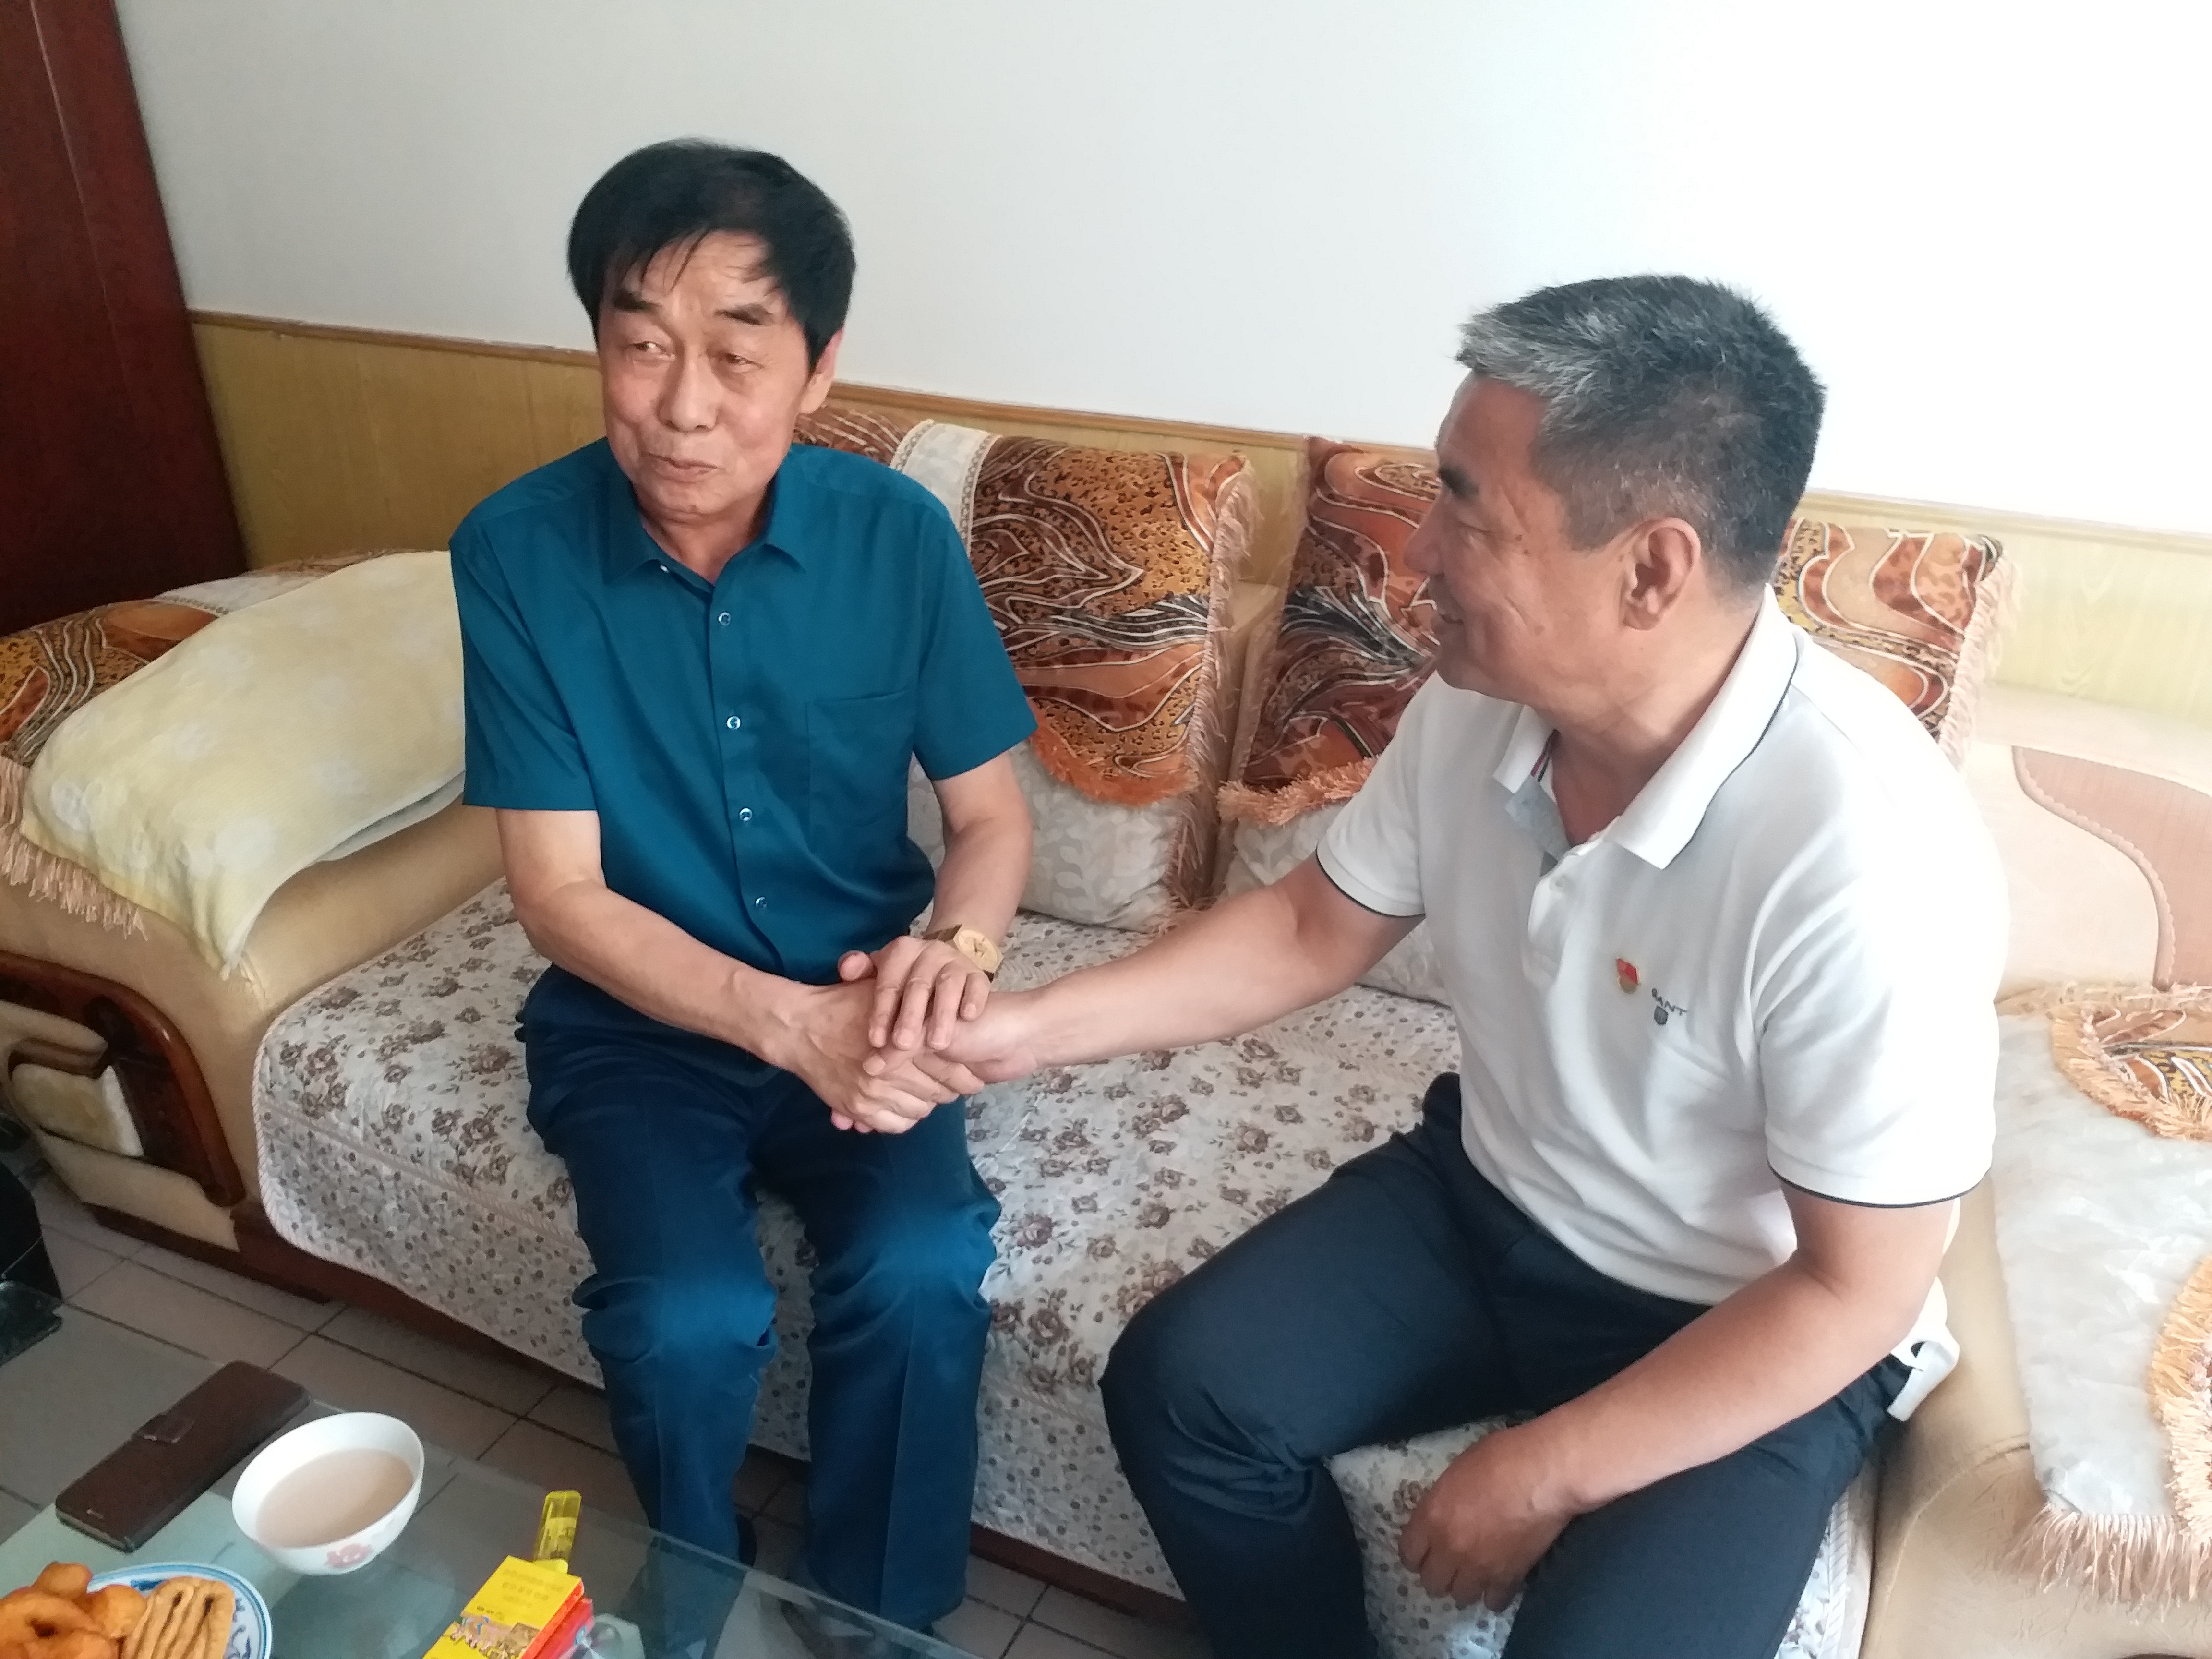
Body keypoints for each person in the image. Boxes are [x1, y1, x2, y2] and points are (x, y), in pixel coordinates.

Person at [874, 275, 2005, 1658]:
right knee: (1186, 1395)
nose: (1414, 552)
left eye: (1467, 509)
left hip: (1743, 1315)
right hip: (1490, 1203)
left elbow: (1857, 1291)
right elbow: (1311, 929)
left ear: (1651, 569)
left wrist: (1545, 1469)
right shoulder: (1477, 710)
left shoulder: (1865, 856)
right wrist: (1013, 1032)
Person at [449, 140, 1035, 1639]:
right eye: (641, 345)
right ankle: (700, 1575)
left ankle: (875, 1612)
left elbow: (989, 822)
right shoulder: (515, 552)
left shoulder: (896, 538)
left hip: (867, 999)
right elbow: (559, 897)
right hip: (637, 1020)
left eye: (734, 352)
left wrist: (955, 957)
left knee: (921, 1263)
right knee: (682, 1318)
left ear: (819, 369)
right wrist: (781, 1027)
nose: (682, 405)